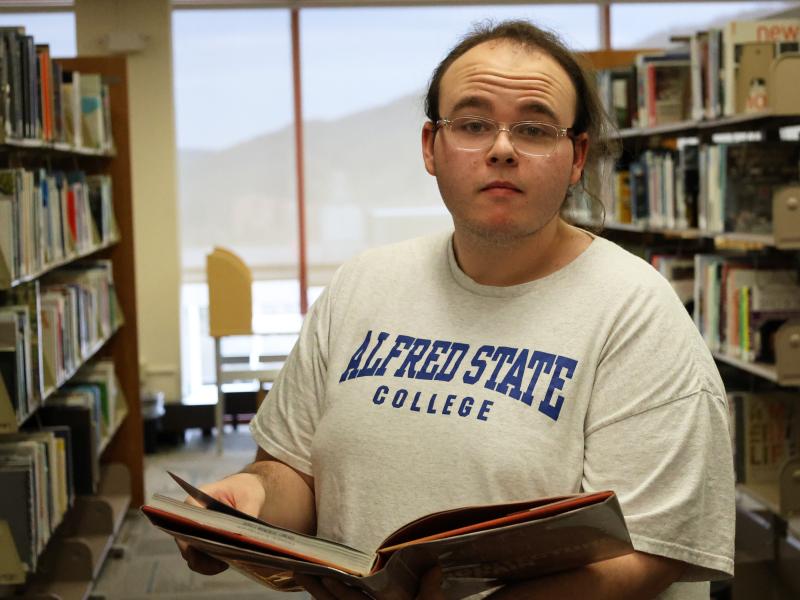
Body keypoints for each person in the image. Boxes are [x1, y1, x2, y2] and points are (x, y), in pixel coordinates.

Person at [178, 20, 735, 600]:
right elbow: (294, 472)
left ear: (577, 157)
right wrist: (253, 500)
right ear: (430, 147)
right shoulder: (362, 285)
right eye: (472, 124)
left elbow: (650, 551)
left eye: (535, 129)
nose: (501, 148)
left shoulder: (635, 312)